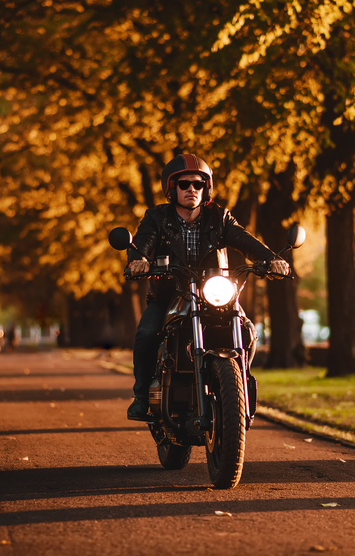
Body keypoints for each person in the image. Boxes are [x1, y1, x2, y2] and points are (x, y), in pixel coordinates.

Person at [124, 153, 290, 420]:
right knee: (146, 332)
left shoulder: (220, 217)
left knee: (246, 328)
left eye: (198, 184)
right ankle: (142, 396)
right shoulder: (156, 217)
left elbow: (244, 240)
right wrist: (138, 260)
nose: (192, 189)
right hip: (170, 292)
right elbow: (143, 242)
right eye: (184, 184)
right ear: (171, 188)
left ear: (206, 188)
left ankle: (237, 386)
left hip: (213, 292)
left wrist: (271, 259)